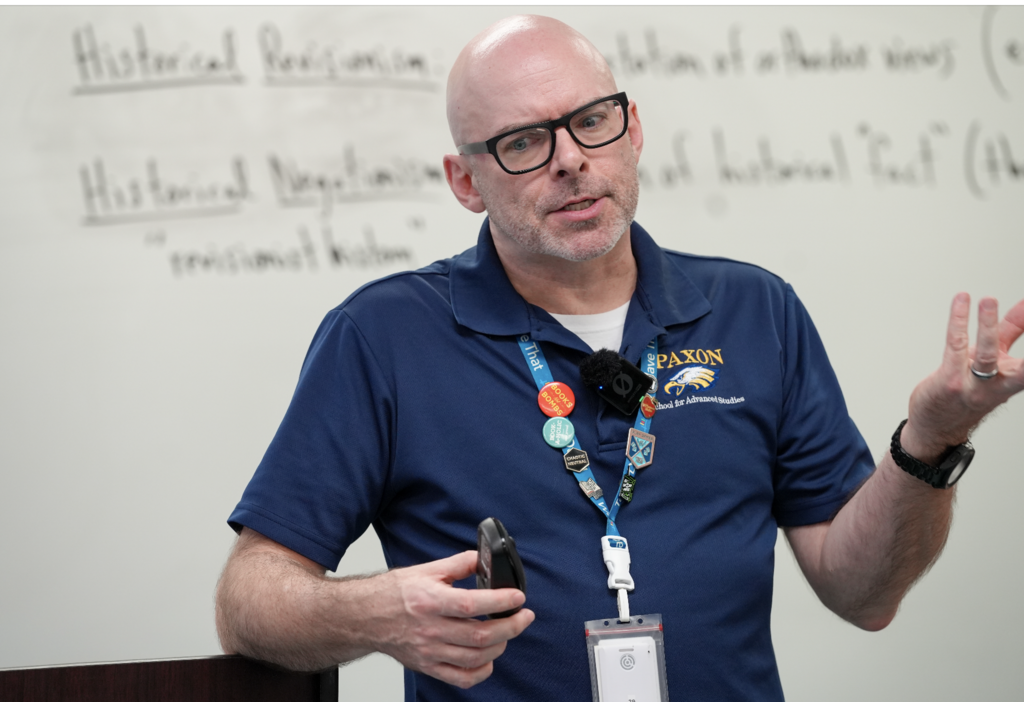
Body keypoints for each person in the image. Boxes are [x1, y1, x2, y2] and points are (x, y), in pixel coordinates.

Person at [215, 14, 1024, 701]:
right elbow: (247, 600)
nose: (570, 158)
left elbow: (863, 594)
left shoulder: (755, 311)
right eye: (523, 142)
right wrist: (376, 614)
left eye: (591, 122)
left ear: (632, 129)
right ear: (465, 182)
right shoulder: (385, 335)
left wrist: (931, 440)